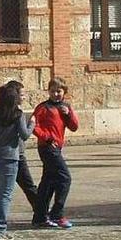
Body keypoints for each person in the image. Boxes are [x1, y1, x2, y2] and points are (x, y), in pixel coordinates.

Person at [0, 80, 39, 222]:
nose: (24, 97)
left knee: (1, 185)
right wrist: (32, 124)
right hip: (14, 155)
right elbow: (24, 135)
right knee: (20, 187)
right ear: (13, 95)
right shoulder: (17, 114)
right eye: (22, 94)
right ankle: (40, 210)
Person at [32, 77, 79, 229]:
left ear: (64, 92)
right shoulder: (43, 107)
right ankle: (57, 214)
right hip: (47, 147)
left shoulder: (65, 107)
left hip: (57, 147)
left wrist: (69, 114)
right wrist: (47, 138)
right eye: (53, 91)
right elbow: (33, 126)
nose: (56, 94)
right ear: (48, 92)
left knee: (48, 182)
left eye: (59, 91)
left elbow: (74, 127)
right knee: (65, 178)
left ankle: (39, 216)